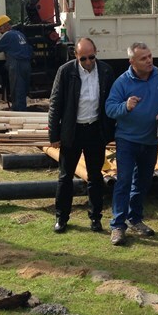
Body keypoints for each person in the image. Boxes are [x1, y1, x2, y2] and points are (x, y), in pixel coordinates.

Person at [105, 42, 158, 246]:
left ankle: (135, 218)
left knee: (143, 182)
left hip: (151, 140)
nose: (149, 61)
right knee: (124, 181)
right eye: (143, 58)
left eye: (150, 56)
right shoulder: (122, 82)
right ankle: (118, 226)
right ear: (132, 62)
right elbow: (110, 109)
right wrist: (125, 106)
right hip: (127, 140)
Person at [49, 37, 116, 233]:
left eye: (91, 57)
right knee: (65, 176)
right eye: (83, 58)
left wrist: (110, 132)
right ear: (76, 56)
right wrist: (54, 134)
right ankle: (61, 218)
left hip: (95, 130)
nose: (88, 62)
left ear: (96, 53)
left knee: (95, 177)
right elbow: (55, 104)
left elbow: (111, 103)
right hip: (72, 131)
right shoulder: (66, 72)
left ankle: (95, 218)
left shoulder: (105, 71)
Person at [0, 15, 33, 111]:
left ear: (4, 26)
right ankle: (21, 110)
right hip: (26, 64)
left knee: (17, 90)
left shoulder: (7, 35)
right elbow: (29, 49)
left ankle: (18, 114)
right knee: (22, 90)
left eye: (0, 28)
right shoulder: (19, 34)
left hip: (17, 65)